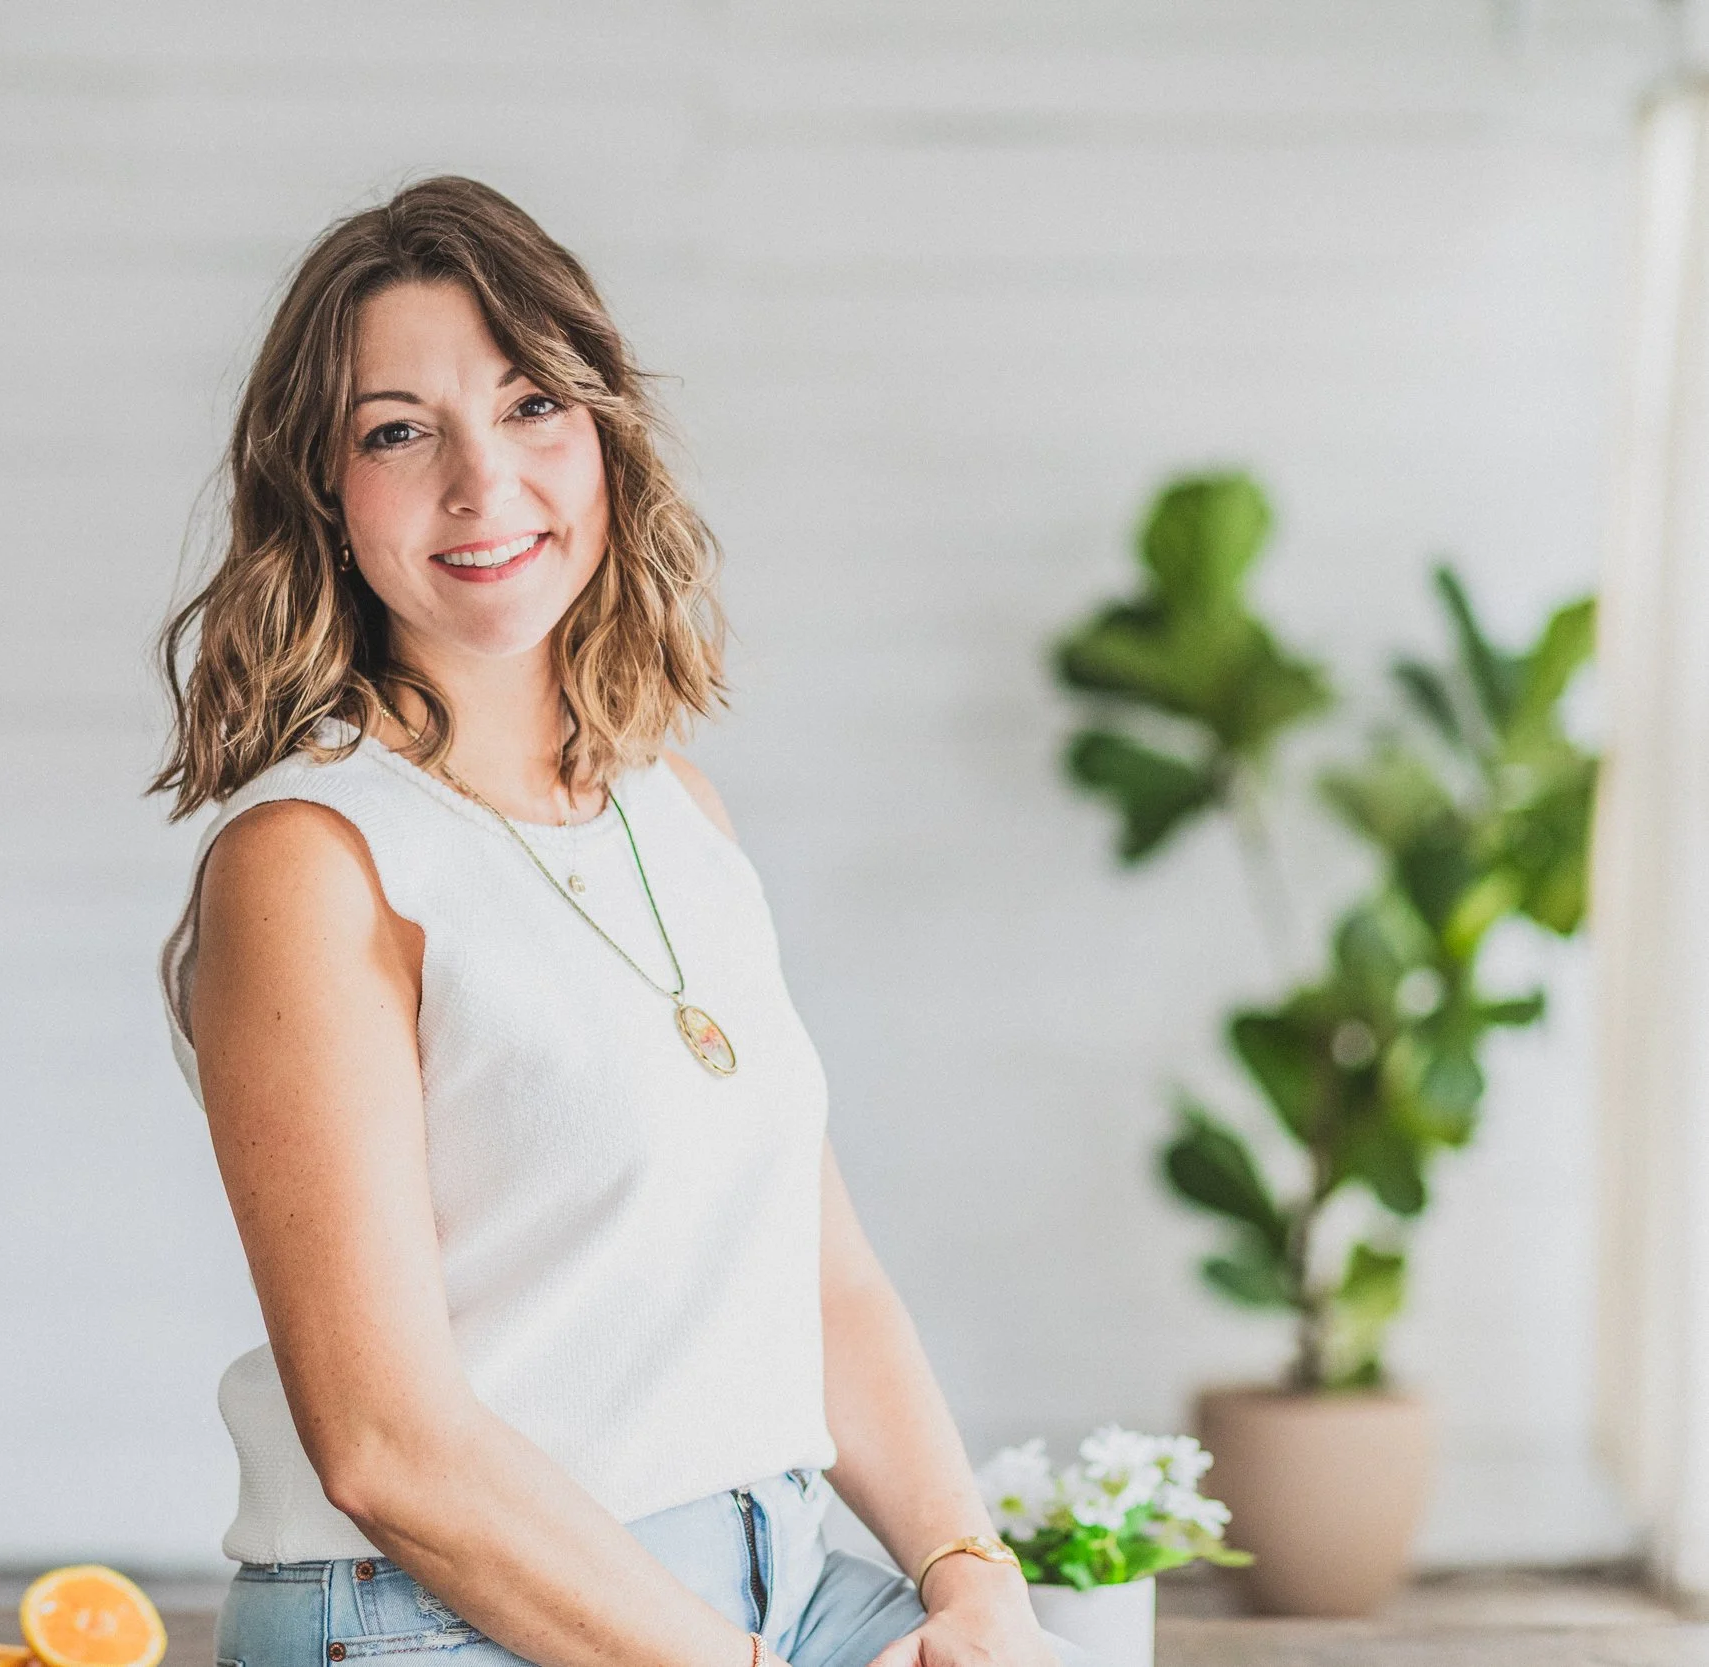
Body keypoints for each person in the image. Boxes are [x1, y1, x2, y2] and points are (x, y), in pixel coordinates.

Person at [154, 176, 1085, 1667]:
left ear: (601, 434)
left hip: (780, 1578)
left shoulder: (678, 813)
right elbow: (389, 1445)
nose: (484, 482)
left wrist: (974, 1581)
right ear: (323, 490)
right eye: (400, 431)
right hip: (442, 1615)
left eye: (531, 405)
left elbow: (821, 1272)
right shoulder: (311, 860)